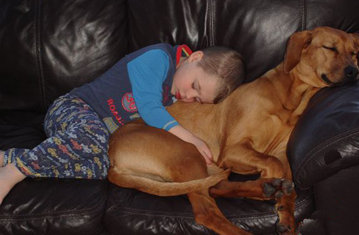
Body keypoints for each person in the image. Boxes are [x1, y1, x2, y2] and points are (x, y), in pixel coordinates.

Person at [0, 43, 245, 204]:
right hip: (71, 109)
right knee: (93, 136)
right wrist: (191, 138)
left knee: (100, 168)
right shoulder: (158, 59)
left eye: (197, 99)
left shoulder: (172, 93)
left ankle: (10, 157)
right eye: (195, 86)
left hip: (87, 141)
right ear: (195, 57)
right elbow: (150, 111)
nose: (189, 97)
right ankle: (15, 171)